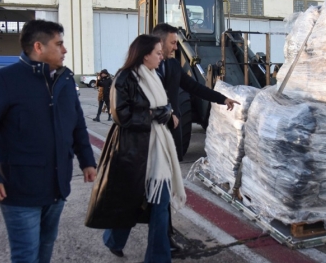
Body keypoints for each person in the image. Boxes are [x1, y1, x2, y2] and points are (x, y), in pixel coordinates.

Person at [0, 19, 97, 263]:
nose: (65, 50)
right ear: (39, 47)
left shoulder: (65, 79)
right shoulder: (4, 80)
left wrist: (87, 160)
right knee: (26, 255)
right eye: (59, 44)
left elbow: (77, 123)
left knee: (45, 247)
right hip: (20, 189)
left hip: (57, 185)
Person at [85, 34, 186, 263]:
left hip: (158, 148)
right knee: (131, 201)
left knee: (159, 205)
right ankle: (113, 240)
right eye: (158, 53)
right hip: (133, 150)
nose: (162, 57)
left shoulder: (153, 75)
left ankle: (157, 257)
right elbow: (122, 115)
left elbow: (163, 105)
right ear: (144, 54)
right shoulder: (124, 78)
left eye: (162, 52)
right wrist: (156, 114)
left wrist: (166, 114)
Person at [151, 23, 240, 161]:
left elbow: (195, 87)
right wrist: (166, 113)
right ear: (160, 42)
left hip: (172, 133)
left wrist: (222, 99)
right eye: (173, 43)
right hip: (151, 133)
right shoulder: (141, 69)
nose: (176, 47)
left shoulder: (173, 65)